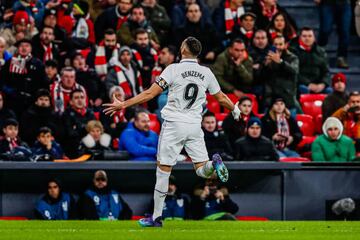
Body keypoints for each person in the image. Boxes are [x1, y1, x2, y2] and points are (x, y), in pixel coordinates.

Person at [103, 36, 241, 227]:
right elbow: (221, 97)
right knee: (202, 170)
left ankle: (157, 217)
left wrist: (124, 104)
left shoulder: (173, 69)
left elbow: (150, 93)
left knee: (163, 171)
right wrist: (234, 109)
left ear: (184, 49)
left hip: (174, 124)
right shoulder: (206, 72)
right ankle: (213, 163)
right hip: (194, 125)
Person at [0, 38, 48, 117]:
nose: (24, 48)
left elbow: (44, 83)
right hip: (13, 101)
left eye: (27, 46)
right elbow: (2, 80)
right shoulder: (10, 62)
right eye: (21, 46)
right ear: (18, 48)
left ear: (31, 48)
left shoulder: (38, 64)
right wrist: (9, 91)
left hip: (31, 102)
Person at [262, 35, 300, 114]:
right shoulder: (266, 57)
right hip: (270, 100)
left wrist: (281, 62)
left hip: (287, 100)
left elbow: (294, 71)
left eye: (280, 44)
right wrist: (265, 66)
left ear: (286, 45)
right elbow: (259, 77)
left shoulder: (293, 58)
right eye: (275, 44)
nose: (278, 47)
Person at [289, 27, 331, 94]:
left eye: (310, 36)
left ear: (314, 38)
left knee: (329, 91)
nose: (307, 38)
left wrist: (323, 84)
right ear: (300, 37)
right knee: (303, 89)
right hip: (301, 84)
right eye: (304, 36)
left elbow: (326, 72)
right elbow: (293, 72)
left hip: (318, 84)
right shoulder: (293, 51)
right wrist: (308, 84)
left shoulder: (321, 52)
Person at [316, 0, 352, 69]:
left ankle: (341, 57)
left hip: (345, 4)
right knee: (325, 30)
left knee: (345, 31)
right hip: (327, 3)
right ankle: (319, 53)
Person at [62, 89, 96, 158]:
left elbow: (96, 130)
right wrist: (86, 129)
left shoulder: (90, 113)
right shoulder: (66, 114)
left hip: (91, 147)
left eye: (82, 97)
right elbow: (70, 134)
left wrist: (79, 128)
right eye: (76, 98)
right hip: (73, 150)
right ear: (71, 102)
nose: (80, 100)